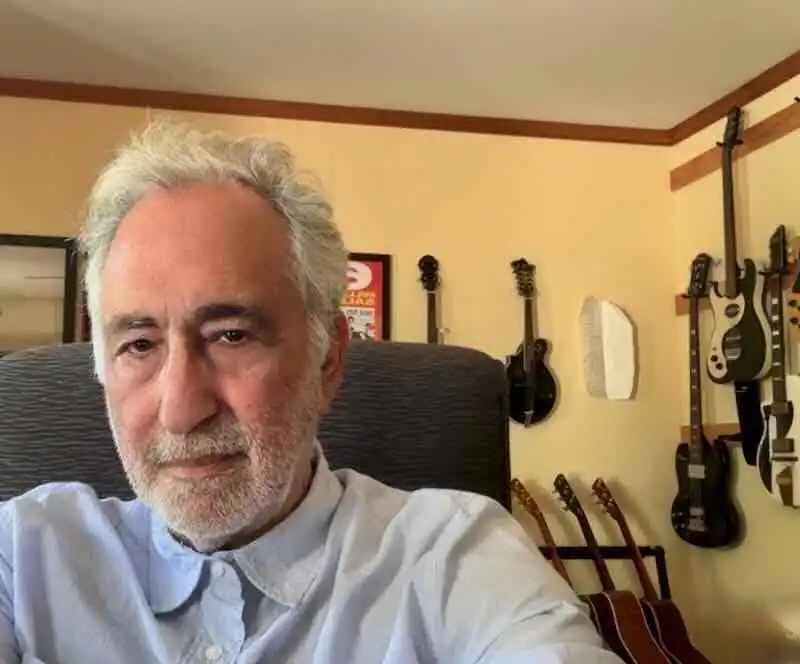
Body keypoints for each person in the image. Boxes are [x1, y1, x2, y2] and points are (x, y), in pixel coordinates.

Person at [0, 120, 623, 663]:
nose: (182, 409)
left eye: (231, 335)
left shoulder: (457, 558)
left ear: (328, 360)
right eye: (139, 344)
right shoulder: (21, 558)